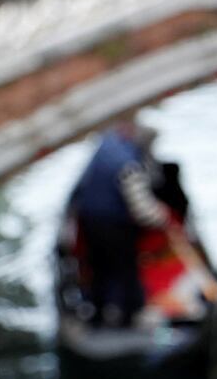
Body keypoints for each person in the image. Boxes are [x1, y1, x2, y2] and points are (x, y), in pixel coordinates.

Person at [68, 122, 171, 326]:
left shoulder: (106, 142)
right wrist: (163, 217)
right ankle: (129, 316)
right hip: (114, 224)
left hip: (89, 219)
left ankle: (97, 313)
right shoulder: (128, 165)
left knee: (98, 268)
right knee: (126, 269)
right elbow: (142, 211)